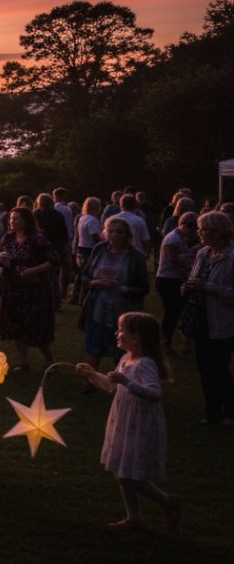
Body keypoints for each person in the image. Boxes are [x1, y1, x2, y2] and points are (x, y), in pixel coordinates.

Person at [77, 313, 181, 530]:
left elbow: (154, 394)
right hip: (123, 421)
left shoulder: (145, 364)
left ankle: (167, 501)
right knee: (121, 470)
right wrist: (92, 374)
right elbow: (112, 386)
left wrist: (127, 381)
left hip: (140, 424)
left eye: (121, 330)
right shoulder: (125, 359)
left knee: (131, 474)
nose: (117, 333)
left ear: (136, 338)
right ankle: (134, 518)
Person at [78, 217, 150, 386]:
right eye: (111, 231)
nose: (115, 235)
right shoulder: (99, 249)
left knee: (122, 347)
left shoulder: (135, 256)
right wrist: (95, 283)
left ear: (127, 234)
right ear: (105, 232)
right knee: (93, 344)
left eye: (119, 231)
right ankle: (89, 382)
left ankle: (121, 383)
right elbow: (85, 276)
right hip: (97, 306)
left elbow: (144, 287)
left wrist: (125, 289)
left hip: (123, 308)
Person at [184, 210, 234, 425]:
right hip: (200, 319)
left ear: (218, 232)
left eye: (203, 229)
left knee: (220, 368)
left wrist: (207, 287)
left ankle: (231, 411)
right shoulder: (202, 253)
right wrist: (187, 287)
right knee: (204, 368)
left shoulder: (231, 257)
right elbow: (193, 279)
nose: (199, 233)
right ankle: (212, 412)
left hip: (222, 321)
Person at [0, 207, 58, 371]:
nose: (12, 222)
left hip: (34, 290)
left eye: (16, 218)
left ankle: (50, 361)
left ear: (26, 220)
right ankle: (23, 362)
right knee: (17, 326)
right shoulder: (8, 238)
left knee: (37, 327)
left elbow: (53, 261)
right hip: (12, 288)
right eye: (11, 218)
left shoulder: (37, 239)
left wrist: (32, 270)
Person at [157, 212, 199, 354]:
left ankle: (166, 341)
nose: (194, 232)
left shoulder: (180, 238)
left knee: (174, 312)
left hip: (173, 279)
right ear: (184, 225)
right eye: (192, 227)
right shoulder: (173, 239)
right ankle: (165, 342)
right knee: (172, 313)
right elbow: (174, 260)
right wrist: (194, 254)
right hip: (168, 279)